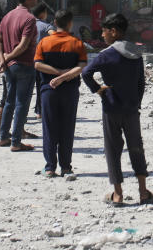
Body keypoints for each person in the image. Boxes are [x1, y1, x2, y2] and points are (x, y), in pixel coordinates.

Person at [81, 12, 153, 204]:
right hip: (131, 109)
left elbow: (86, 73)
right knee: (136, 148)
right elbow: (141, 83)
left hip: (111, 107)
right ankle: (143, 191)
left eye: (104, 32)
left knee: (113, 149)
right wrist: (136, 103)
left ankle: (118, 194)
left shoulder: (106, 55)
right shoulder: (136, 54)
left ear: (113, 31)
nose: (102, 35)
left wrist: (99, 90)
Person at [34, 9, 87, 177]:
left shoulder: (44, 43)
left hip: (48, 90)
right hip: (70, 91)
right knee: (67, 127)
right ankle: (66, 167)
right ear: (70, 23)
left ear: (54, 23)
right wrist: (65, 76)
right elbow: (81, 67)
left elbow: (37, 65)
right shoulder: (77, 43)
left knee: (49, 128)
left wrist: (57, 74)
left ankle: (50, 167)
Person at [0, 0, 39, 152]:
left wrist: (2, 59)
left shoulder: (8, 16)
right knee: (21, 104)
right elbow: (23, 45)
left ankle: (4, 137)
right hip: (24, 65)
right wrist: (7, 58)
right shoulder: (29, 18)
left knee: (9, 101)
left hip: (9, 67)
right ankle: (16, 141)